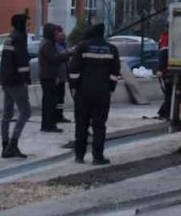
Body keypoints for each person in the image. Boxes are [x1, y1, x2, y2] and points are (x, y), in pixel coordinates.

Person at [68, 23, 121, 165]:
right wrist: (110, 88)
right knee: (99, 125)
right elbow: (115, 72)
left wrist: (74, 87)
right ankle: (98, 157)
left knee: (81, 124)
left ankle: (79, 156)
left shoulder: (82, 47)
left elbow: (74, 70)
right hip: (102, 93)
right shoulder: (111, 49)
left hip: (83, 92)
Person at [0, 12, 32, 158]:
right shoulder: (20, 37)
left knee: (7, 114)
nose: (28, 26)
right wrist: (26, 79)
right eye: (27, 23)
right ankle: (13, 144)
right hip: (16, 80)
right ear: (21, 24)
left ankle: (5, 145)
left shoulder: (10, 36)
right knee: (25, 112)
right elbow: (22, 61)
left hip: (6, 79)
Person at [37, 23, 70, 132]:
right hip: (49, 77)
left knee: (54, 100)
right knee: (50, 102)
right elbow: (54, 58)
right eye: (56, 33)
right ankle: (49, 124)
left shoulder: (50, 43)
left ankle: (52, 121)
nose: (58, 35)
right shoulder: (48, 45)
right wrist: (68, 54)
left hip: (52, 76)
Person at [154, 30, 172, 121]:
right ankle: (164, 112)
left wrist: (159, 69)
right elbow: (163, 54)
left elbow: (162, 54)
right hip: (167, 71)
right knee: (169, 94)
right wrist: (160, 69)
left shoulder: (164, 37)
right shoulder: (166, 38)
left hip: (166, 70)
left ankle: (164, 112)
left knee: (168, 94)